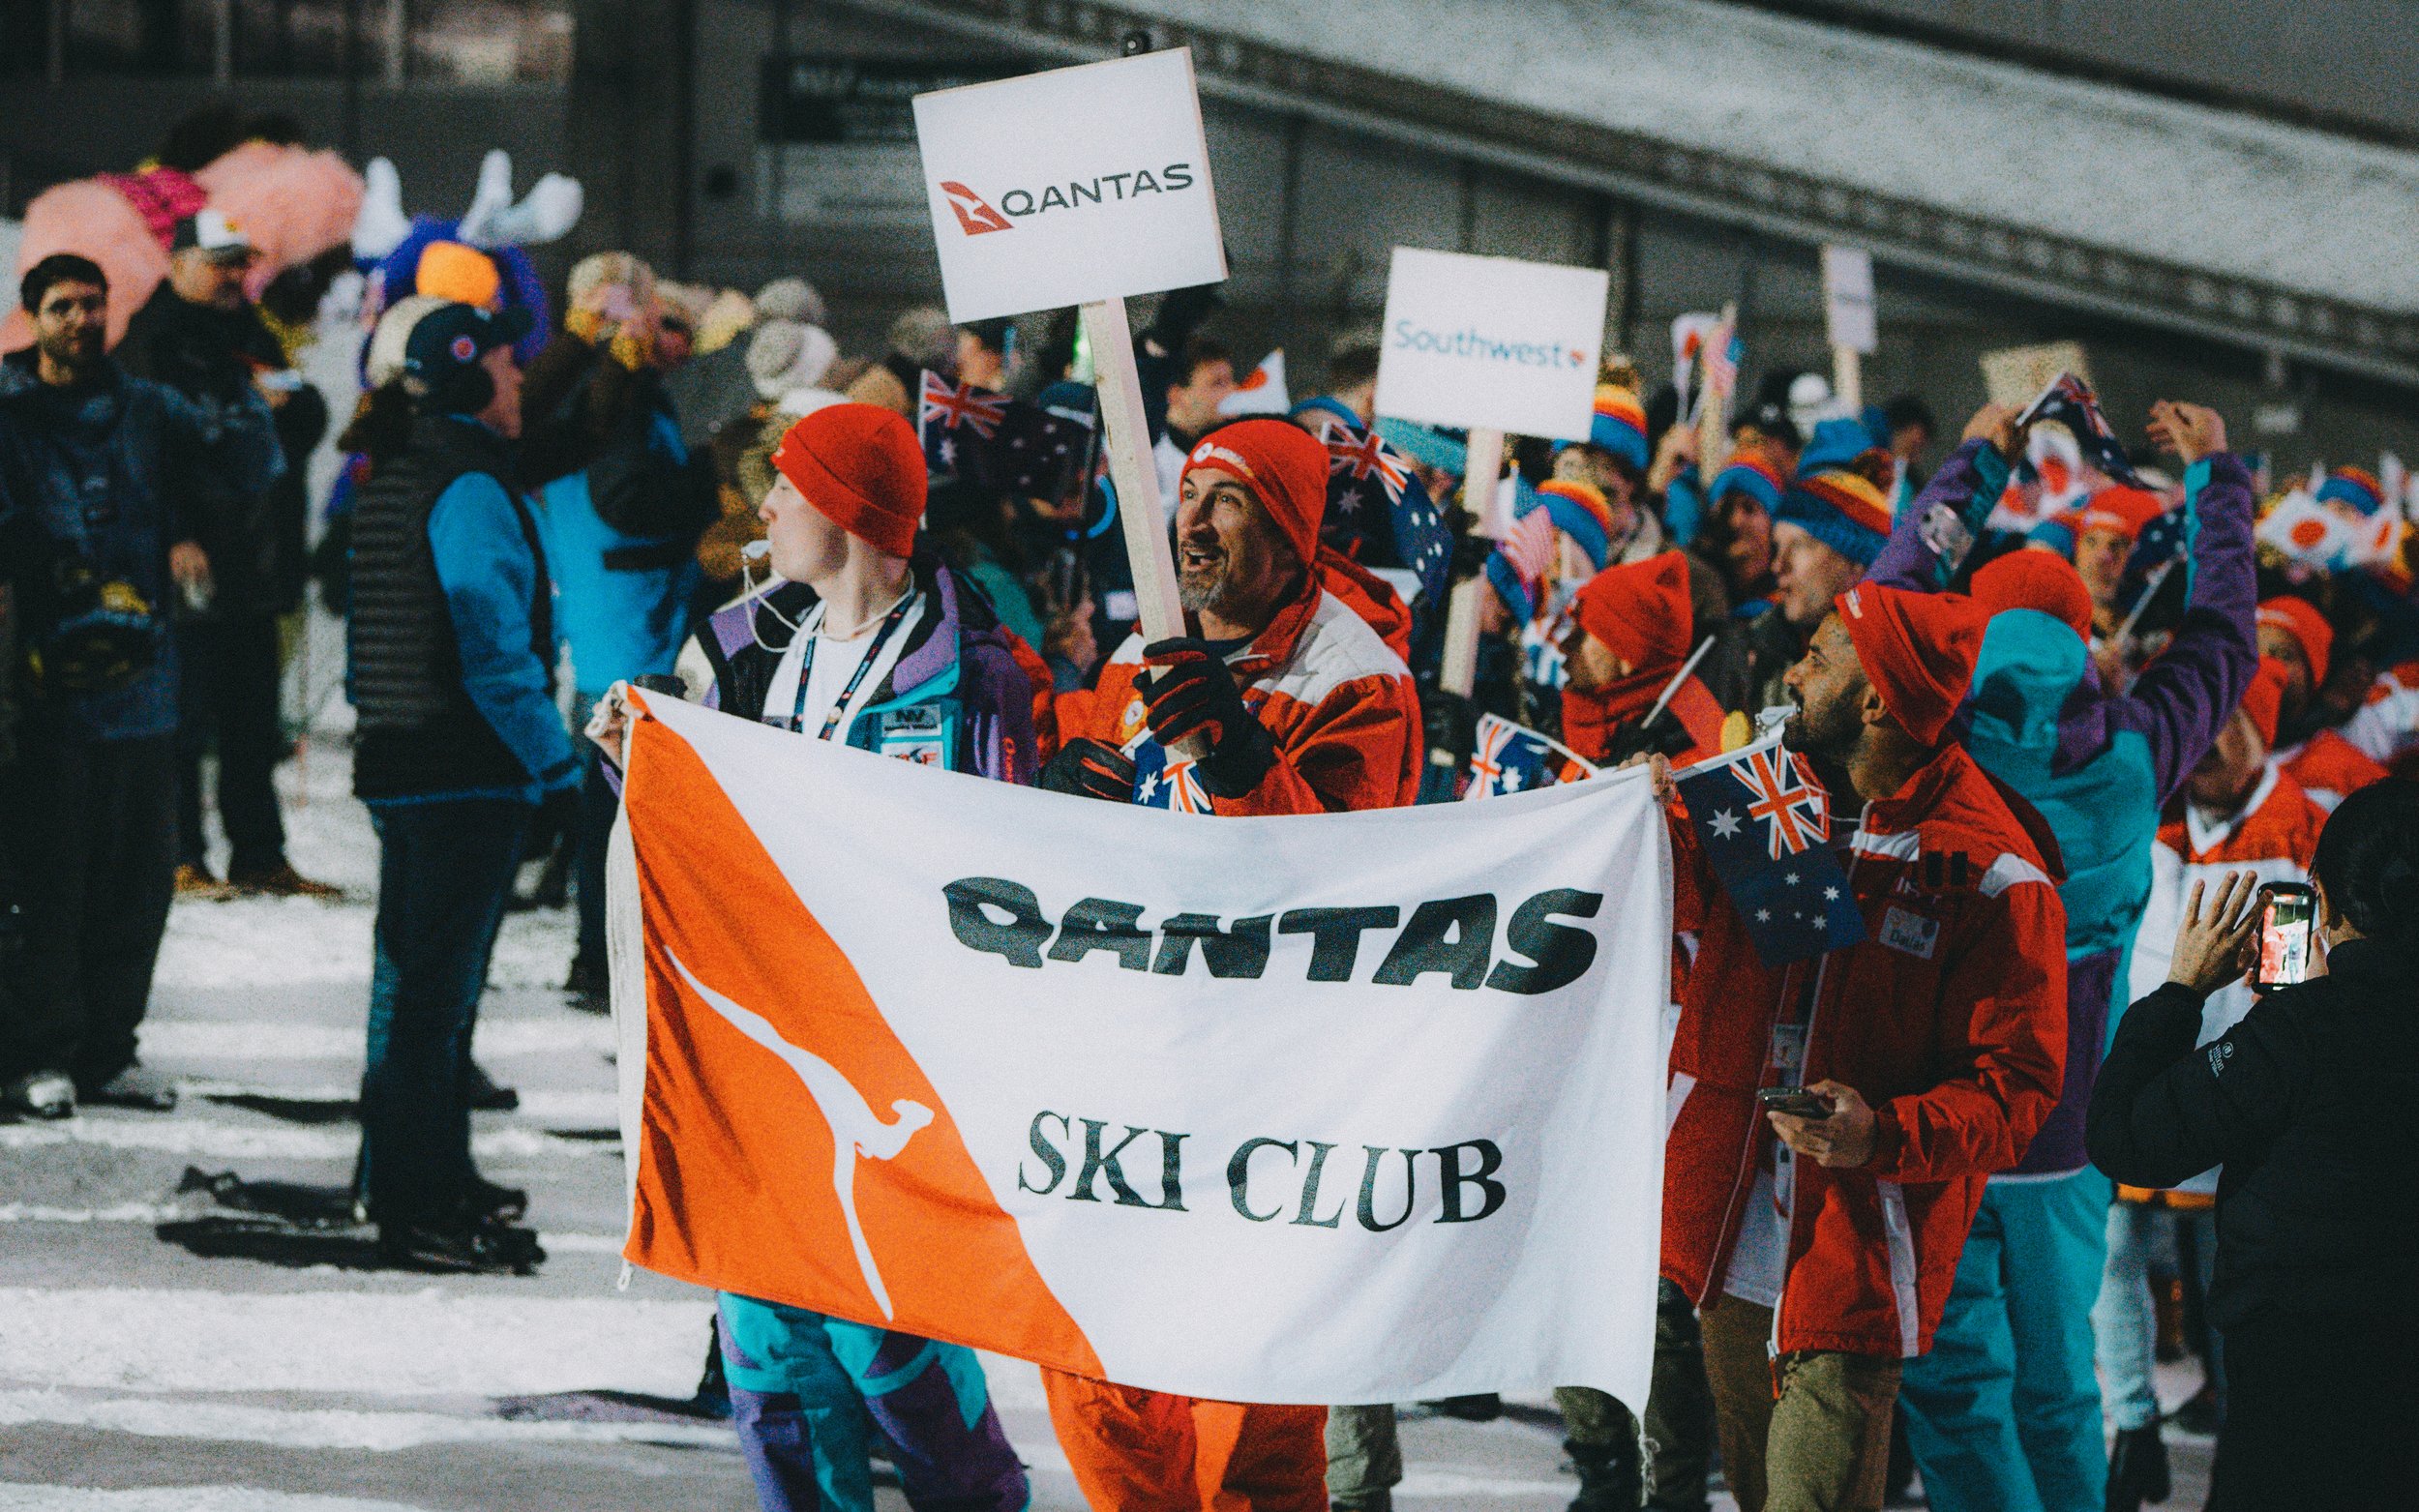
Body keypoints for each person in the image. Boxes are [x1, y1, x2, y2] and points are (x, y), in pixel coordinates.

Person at [599, 401, 1037, 1512]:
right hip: (758, 1052)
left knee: (893, 1349)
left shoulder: (975, 669)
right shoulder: (739, 644)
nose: (770, 508)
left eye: (789, 487)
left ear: (843, 508)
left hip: (896, 1065)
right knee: (768, 1361)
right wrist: (633, 765)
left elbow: (1020, 874)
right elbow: (692, 835)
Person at [1867, 400, 2256, 1512]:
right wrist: (2216, 478)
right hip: (2065, 1128)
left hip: (1934, 1116)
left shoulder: (1923, 742)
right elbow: (2226, 636)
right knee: (2056, 1387)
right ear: (2084, 644)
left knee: (1951, 1388)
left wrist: (1977, 461)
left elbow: (1885, 600)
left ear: (1966, 640)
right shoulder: (2139, 751)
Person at [1041, 418, 1419, 1511]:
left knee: (1246, 1407)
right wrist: (1060, 800)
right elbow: (1079, 845)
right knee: (1097, 1370)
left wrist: (1238, 757)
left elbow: (1338, 893)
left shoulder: (1359, 677)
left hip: (1271, 1092)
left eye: (1229, 501)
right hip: (1130, 1067)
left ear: (1292, 529)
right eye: (1189, 494)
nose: (1191, 523)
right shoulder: (1137, 647)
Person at [1648, 581, 2069, 1512]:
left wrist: (1882, 1133)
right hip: (1725, 1234)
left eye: (1822, 654)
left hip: (1853, 1257)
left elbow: (2018, 1090)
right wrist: (1648, 821)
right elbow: (1672, 926)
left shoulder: (1990, 869)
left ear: (1877, 698)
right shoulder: (1766, 806)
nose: (1793, 671)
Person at [0, 252, 284, 1119]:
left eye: (93, 304)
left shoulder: (148, 409)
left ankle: (108, 1048)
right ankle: (34, 1053)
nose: (81, 320)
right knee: (47, 884)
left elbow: (250, 467)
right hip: (41, 701)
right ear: (30, 317)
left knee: (135, 884)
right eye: (61, 307)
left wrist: (240, 378)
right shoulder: (7, 416)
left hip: (145, 694)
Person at [2086, 783, 2419, 1511]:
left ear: (2322, 905)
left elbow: (2126, 1137)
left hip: (2297, 1392)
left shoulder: (2301, 1032)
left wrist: (2183, 990)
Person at [344, 297, 568, 1272]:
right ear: (476, 377)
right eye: (512, 369)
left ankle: (415, 1173)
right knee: (435, 999)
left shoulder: (404, 466)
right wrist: (554, 762)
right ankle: (416, 1199)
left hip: (408, 759)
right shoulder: (469, 482)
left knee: (418, 992)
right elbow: (491, 644)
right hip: (459, 768)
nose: (521, 385)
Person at [2093, 657, 2327, 1501]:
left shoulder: (2301, 835)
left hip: (2232, 1104)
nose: (2210, 745)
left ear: (2262, 730)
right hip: (2143, 1084)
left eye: (2231, 723)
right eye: (2202, 723)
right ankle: (2134, 1430)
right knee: (2109, 1263)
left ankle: (2239, 1440)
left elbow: (2289, 994)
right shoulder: (2150, 819)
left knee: (2231, 1282)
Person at [117, 209, 336, 899]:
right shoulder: (151, 342)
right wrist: (172, 532)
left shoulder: (247, 331)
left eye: (242, 261)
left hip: (251, 560)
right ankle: (178, 855)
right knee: (180, 717)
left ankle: (258, 854)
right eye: (221, 261)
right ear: (179, 262)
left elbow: (305, 418)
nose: (235, 275)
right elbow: (140, 451)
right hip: (187, 560)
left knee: (251, 716)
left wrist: (275, 412)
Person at [521, 260, 714, 1005]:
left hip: (623, 622)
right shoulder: (609, 396)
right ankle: (602, 964)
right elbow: (628, 500)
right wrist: (709, 484)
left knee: (610, 805)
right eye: (661, 321)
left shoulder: (625, 392)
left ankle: (601, 960)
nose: (677, 342)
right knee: (615, 807)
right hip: (624, 631)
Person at [1558, 551, 1725, 768]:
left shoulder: (1690, 763)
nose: (1564, 646)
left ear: (1628, 654)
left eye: (1581, 634)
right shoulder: (1571, 731)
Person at [2255, 594, 2384, 810]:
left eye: (2285, 655)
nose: (2262, 663)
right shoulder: (2202, 737)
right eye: (2252, 648)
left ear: (2316, 675)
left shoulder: (2349, 775)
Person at [1150, 336, 1239, 502]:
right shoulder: (1151, 465)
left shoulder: (1234, 457)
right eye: (1218, 383)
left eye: (1231, 381)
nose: (1232, 391)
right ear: (1177, 396)